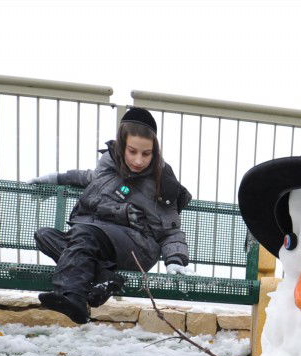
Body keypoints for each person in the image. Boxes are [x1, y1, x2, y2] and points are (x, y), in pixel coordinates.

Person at [29, 107, 192, 324]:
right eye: (132, 151)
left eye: (146, 154)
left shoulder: (162, 182)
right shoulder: (108, 164)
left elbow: (170, 229)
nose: (138, 160)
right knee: (45, 235)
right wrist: (56, 178)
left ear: (155, 152)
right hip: (97, 238)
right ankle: (104, 278)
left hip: (137, 247)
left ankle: (71, 297)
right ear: (121, 146)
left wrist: (175, 258)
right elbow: (90, 178)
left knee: (84, 235)